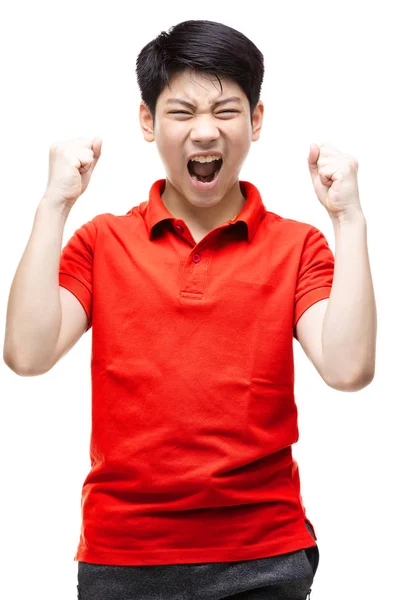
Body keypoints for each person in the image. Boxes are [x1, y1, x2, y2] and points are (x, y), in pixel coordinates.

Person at [3, 19, 377, 600]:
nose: (205, 132)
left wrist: (347, 219)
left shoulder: (297, 245)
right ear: (148, 122)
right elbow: (27, 354)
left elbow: (348, 369)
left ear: (256, 120)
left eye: (226, 111)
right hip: (124, 554)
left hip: (264, 554)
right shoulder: (103, 241)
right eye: (182, 112)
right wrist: (55, 203)